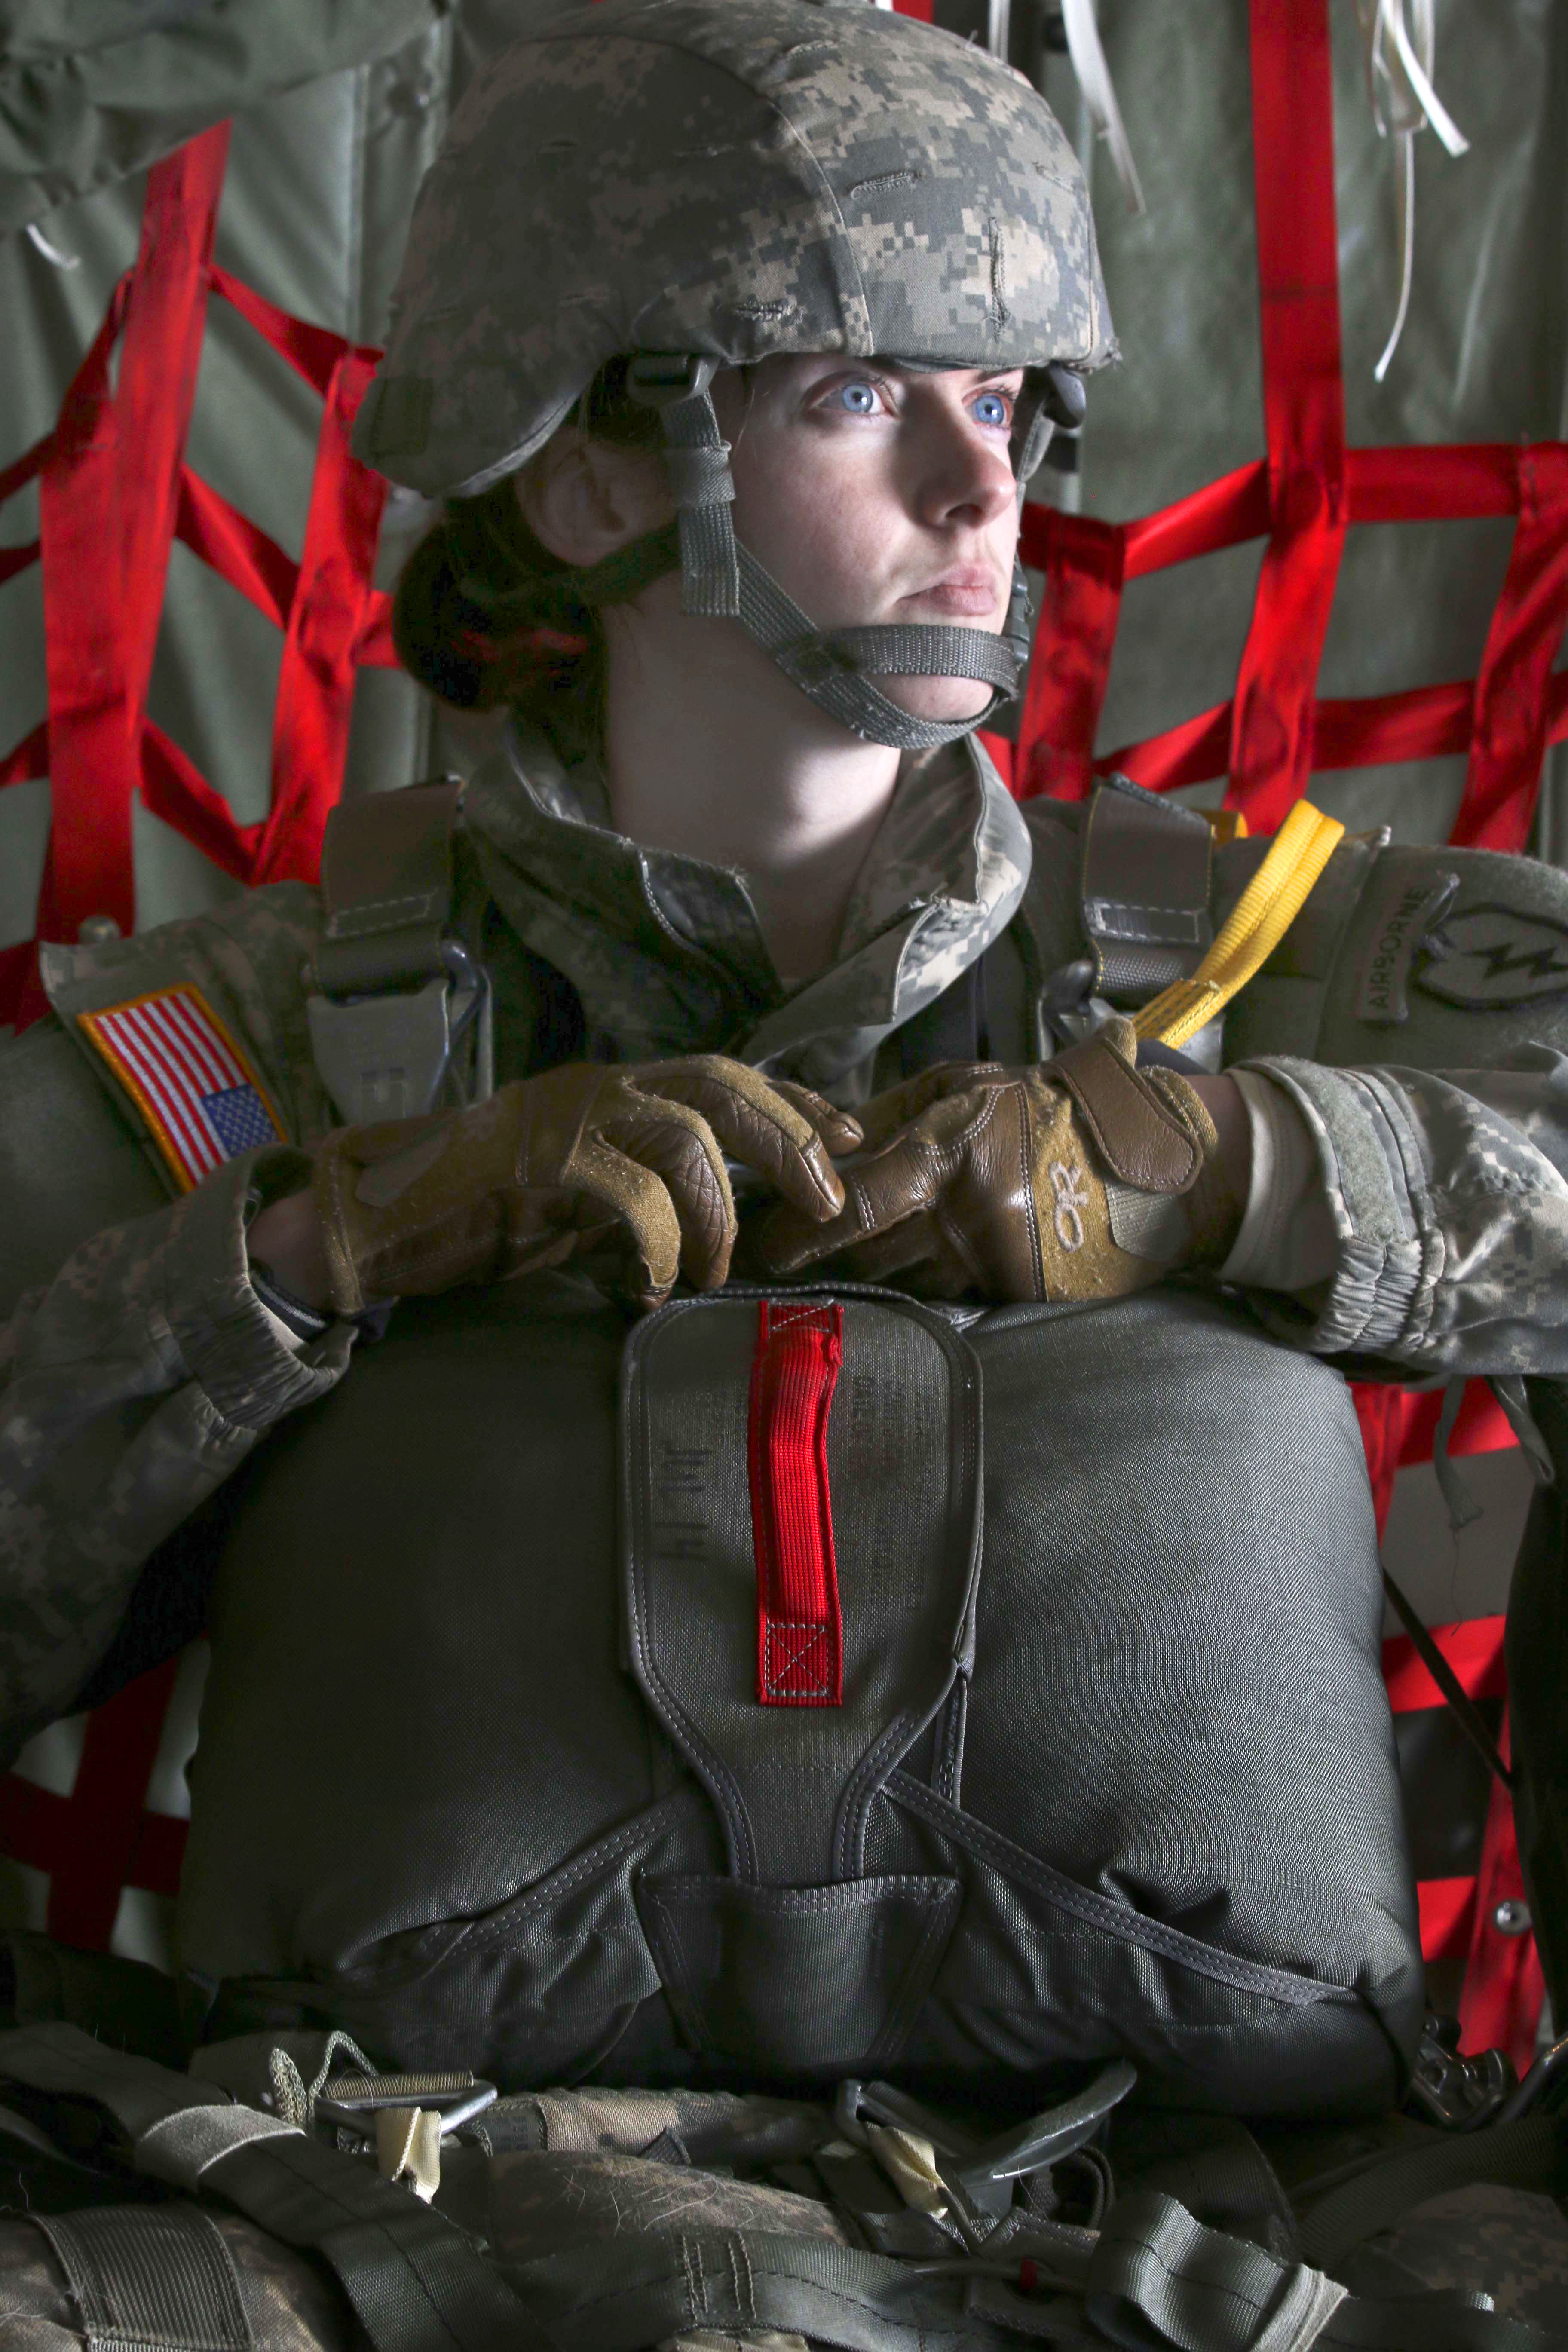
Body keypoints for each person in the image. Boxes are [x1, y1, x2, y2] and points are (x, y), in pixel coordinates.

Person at [3, 0, 1568, 2166]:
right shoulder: (268, 1040)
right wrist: (301, 1257)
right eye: (858, 396)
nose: (977, 486)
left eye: (1008, 401)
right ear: (580, 471)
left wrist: (1247, 1164)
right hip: (394, 2224)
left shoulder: (1250, 971)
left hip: (1224, 2228)